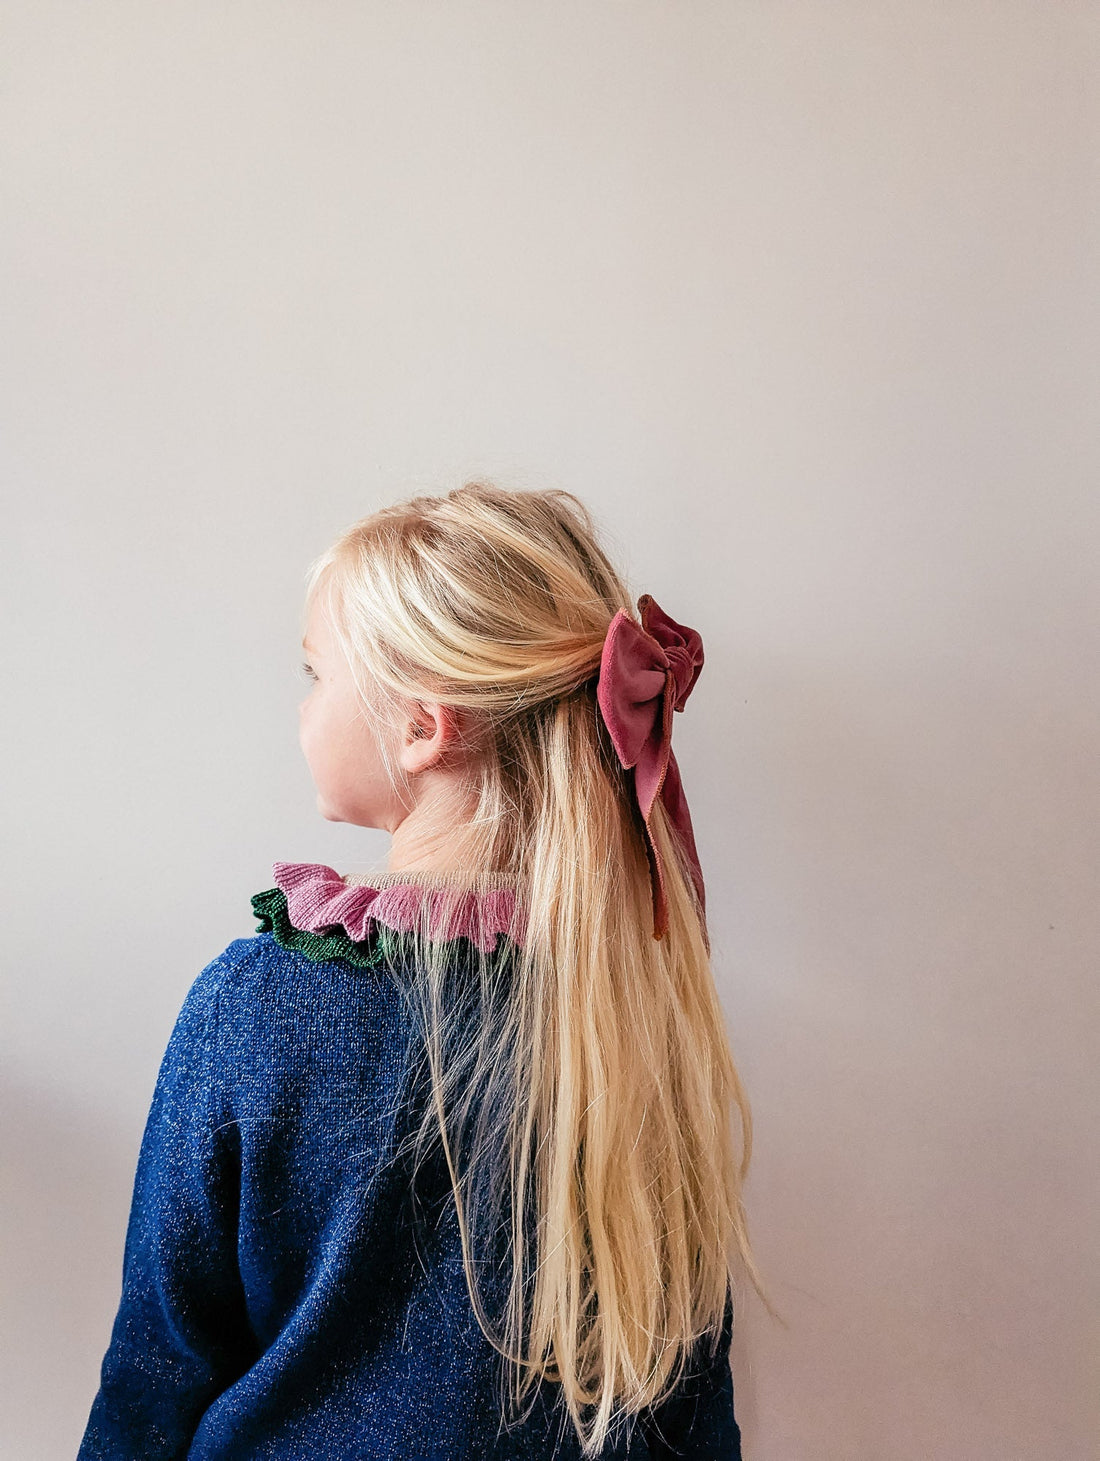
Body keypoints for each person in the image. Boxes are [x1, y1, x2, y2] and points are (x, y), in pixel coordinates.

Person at [77, 481, 771, 1460]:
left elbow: (160, 1364)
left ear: (420, 724)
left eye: (315, 672)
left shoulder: (256, 1005)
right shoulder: (634, 1008)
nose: (305, 703)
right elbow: (690, 1408)